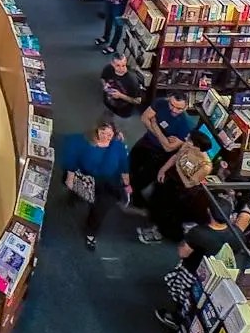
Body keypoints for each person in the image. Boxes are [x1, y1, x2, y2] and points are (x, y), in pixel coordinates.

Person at [156, 192, 250, 328]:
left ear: (209, 211)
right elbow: (246, 216)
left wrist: (185, 239)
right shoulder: (237, 233)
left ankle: (177, 318)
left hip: (194, 273)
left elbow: (183, 253)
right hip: (220, 274)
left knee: (187, 299)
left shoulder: (198, 233)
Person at [60, 118, 132, 251]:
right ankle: (75, 196)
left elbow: (124, 167)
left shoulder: (118, 147)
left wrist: (127, 185)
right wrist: (70, 179)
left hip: (109, 181)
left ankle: (91, 232)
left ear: (115, 134)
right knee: (80, 190)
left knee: (101, 207)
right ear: (96, 130)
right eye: (102, 132)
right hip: (86, 177)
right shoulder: (84, 142)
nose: (105, 137)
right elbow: (72, 160)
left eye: (109, 134)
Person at [129, 90, 196, 200]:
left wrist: (154, 125)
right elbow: (144, 118)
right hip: (146, 141)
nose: (173, 110)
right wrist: (163, 138)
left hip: (161, 153)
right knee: (132, 162)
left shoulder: (186, 124)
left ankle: (133, 193)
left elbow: (167, 148)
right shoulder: (160, 103)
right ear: (169, 100)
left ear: (186, 107)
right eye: (172, 105)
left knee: (144, 177)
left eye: (179, 108)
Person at [100, 52, 145, 119]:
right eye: (118, 65)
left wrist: (120, 96)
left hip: (122, 111)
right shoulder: (108, 68)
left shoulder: (132, 80)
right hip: (108, 103)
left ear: (126, 62)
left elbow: (138, 101)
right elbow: (102, 78)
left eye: (123, 65)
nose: (121, 69)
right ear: (112, 64)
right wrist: (105, 85)